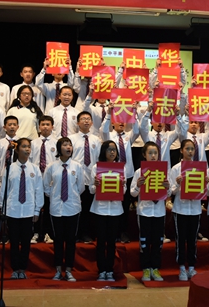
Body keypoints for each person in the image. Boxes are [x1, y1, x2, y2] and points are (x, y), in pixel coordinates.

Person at [0, 138, 44, 280]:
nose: (27, 149)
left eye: (29, 147)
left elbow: (38, 190)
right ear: (17, 149)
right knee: (13, 242)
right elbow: (4, 190)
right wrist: (3, 209)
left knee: (26, 242)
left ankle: (22, 268)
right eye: (24, 146)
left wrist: (37, 210)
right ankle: (14, 269)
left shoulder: (34, 169)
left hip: (28, 211)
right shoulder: (10, 168)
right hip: (13, 210)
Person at [43, 137, 84, 282]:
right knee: (58, 240)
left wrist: (71, 196)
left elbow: (80, 187)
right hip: (57, 208)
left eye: (70, 145)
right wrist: (55, 195)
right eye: (65, 145)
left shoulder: (77, 166)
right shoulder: (52, 166)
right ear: (59, 148)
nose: (68, 147)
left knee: (71, 240)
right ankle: (58, 270)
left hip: (72, 207)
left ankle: (69, 270)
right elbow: (46, 186)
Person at [101, 101, 141, 243]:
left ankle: (123, 232)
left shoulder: (128, 136)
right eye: (118, 120)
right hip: (112, 175)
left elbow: (137, 130)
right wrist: (109, 113)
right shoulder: (109, 136)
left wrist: (134, 113)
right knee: (113, 204)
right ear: (113, 123)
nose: (122, 123)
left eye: (124, 120)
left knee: (124, 205)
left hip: (128, 174)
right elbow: (103, 130)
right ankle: (111, 232)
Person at [130, 141, 170, 282]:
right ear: (144, 155)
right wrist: (138, 186)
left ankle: (155, 268)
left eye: (155, 153)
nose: (153, 156)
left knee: (158, 241)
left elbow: (169, 193)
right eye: (150, 153)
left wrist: (167, 187)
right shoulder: (139, 172)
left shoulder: (164, 171)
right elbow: (133, 193)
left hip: (159, 212)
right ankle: (146, 268)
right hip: (144, 211)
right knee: (144, 241)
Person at [170, 139, 207, 281]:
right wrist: (178, 184)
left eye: (192, 149)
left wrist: (206, 182)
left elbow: (203, 191)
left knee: (192, 240)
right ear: (181, 150)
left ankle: (191, 267)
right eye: (187, 149)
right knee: (181, 240)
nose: (190, 151)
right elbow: (171, 191)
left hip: (195, 209)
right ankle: (181, 267)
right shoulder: (176, 168)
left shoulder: (199, 168)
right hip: (180, 209)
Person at [90, 140, 126, 282]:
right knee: (101, 242)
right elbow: (91, 190)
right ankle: (101, 270)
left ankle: (110, 270)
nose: (112, 152)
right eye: (109, 149)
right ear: (103, 151)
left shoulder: (120, 168)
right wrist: (95, 185)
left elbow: (124, 191)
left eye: (114, 150)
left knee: (111, 242)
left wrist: (122, 185)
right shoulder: (96, 167)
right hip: (100, 209)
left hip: (115, 210)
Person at [68, 111, 102, 244]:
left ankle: (86, 233)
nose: (86, 121)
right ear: (78, 123)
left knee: (88, 208)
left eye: (88, 119)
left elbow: (99, 160)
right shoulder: (71, 139)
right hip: (75, 179)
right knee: (75, 207)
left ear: (92, 122)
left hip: (91, 180)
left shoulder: (96, 140)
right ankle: (74, 234)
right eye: (83, 119)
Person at [29, 115, 56, 245]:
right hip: (36, 179)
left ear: (52, 127)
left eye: (48, 124)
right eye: (43, 124)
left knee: (49, 207)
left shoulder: (57, 143)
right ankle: (35, 233)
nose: (45, 127)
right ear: (39, 127)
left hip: (51, 181)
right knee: (35, 207)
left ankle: (48, 233)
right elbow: (29, 161)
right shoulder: (33, 143)